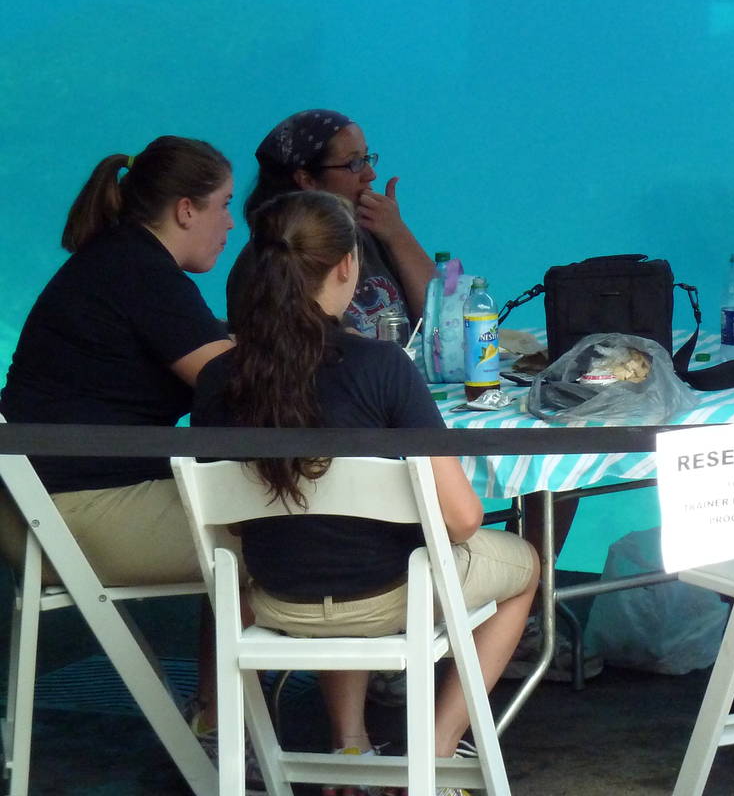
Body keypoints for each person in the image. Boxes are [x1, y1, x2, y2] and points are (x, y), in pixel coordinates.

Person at [193, 190, 537, 784]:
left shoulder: (221, 377)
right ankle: (437, 749)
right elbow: (462, 520)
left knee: (326, 546)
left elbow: (226, 522)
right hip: (390, 598)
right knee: (524, 566)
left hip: (277, 597)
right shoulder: (382, 368)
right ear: (348, 265)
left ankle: (350, 748)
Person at [0, 135, 237, 744]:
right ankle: (236, 726)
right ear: (187, 209)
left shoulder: (122, 259)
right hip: (74, 516)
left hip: (37, 506)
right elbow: (234, 384)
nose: (230, 224)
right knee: (290, 524)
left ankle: (219, 715)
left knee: (257, 507)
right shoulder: (141, 272)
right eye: (224, 206)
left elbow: (209, 344)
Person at [228, 109, 432, 336]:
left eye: (366, 158)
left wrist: (398, 234)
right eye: (354, 163)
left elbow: (442, 322)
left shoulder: (375, 231)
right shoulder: (273, 257)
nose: (370, 174)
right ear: (307, 179)